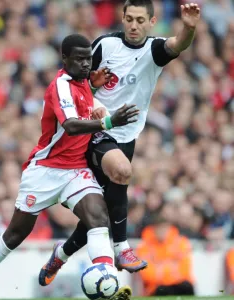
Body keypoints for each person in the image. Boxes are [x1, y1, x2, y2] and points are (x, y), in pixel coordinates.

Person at [0, 34, 139, 300]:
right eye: (79, 59)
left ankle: (108, 283)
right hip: (45, 171)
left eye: (88, 58)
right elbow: (71, 126)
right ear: (64, 59)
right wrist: (109, 122)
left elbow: (85, 103)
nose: (86, 64)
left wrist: (94, 91)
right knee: (14, 236)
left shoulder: (84, 81)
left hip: (75, 170)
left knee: (98, 216)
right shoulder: (59, 86)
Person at [39, 0, 201, 294]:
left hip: (127, 137)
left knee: (98, 215)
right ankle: (122, 247)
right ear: (122, 19)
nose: (134, 25)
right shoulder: (104, 46)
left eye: (141, 20)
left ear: (151, 22)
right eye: (129, 19)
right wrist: (93, 93)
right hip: (96, 130)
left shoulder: (154, 50)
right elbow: (78, 85)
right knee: (123, 172)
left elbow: (179, 43)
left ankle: (60, 255)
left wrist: (188, 27)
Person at [136, 215, 194, 296]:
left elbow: (185, 269)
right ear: (154, 229)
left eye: (165, 228)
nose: (162, 231)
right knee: (162, 290)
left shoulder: (181, 242)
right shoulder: (144, 247)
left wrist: (161, 269)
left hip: (178, 284)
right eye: (160, 228)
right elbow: (147, 275)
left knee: (187, 287)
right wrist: (170, 270)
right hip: (155, 287)